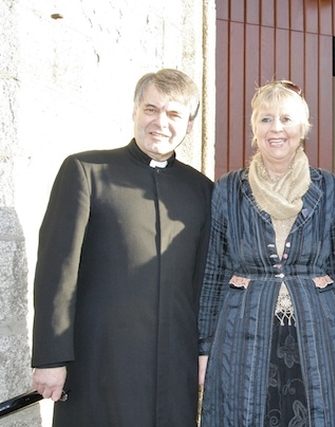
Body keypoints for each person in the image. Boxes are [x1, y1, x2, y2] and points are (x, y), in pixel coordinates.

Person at [31, 69, 213, 426]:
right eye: (151, 109)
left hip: (174, 370)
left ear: (189, 125)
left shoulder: (203, 191)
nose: (160, 122)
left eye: (174, 114)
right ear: (134, 111)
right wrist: (50, 358)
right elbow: (57, 271)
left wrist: (204, 352)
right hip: (98, 362)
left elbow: (204, 283)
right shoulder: (86, 171)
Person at [198, 80, 335, 426]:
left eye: (287, 119)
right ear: (253, 128)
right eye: (266, 119)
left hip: (319, 331)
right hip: (242, 331)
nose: (276, 128)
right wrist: (204, 347)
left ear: (303, 128)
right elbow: (213, 271)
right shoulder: (228, 188)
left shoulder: (328, 186)